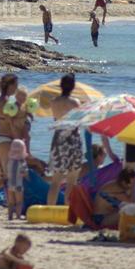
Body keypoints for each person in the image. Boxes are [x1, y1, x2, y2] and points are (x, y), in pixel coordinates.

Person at [47, 74, 83, 206]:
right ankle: (68, 210)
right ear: (73, 86)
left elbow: (55, 120)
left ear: (60, 86)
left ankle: (49, 209)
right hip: (72, 138)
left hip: (58, 138)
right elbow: (78, 122)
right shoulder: (75, 103)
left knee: (56, 181)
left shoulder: (54, 102)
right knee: (71, 181)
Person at [6, 139, 29, 220]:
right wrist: (27, 177)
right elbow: (24, 173)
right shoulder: (22, 162)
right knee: (19, 201)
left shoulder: (10, 161)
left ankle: (10, 216)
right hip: (18, 184)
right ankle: (18, 216)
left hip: (9, 184)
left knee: (11, 201)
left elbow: (7, 172)